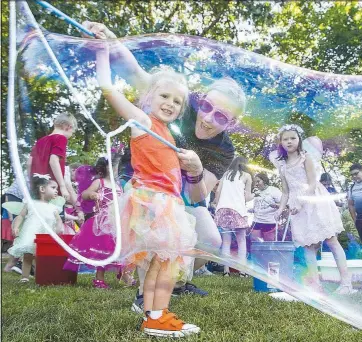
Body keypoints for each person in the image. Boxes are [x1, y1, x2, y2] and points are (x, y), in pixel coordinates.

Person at [80, 21, 245, 304]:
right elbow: (138, 76)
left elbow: (198, 194)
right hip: (147, 185)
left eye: (221, 117)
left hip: (182, 195)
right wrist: (111, 41)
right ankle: (145, 294)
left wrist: (195, 171)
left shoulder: (224, 149)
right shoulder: (178, 102)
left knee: (211, 241)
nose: (208, 118)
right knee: (153, 234)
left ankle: (176, 280)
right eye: (207, 107)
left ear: (232, 123)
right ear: (200, 100)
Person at [95, 36, 200, 337]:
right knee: (167, 262)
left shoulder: (167, 132)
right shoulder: (143, 120)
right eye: (164, 96)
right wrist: (103, 51)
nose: (170, 103)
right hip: (155, 201)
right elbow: (109, 90)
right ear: (149, 99)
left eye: (177, 101)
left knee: (161, 261)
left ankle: (155, 315)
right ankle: (158, 316)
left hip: (164, 201)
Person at [274, 124, 355, 295]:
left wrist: (300, 203)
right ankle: (315, 286)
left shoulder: (306, 158)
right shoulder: (282, 166)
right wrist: (281, 207)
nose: (289, 141)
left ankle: (346, 283)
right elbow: (286, 191)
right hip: (299, 208)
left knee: (332, 241)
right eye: (285, 139)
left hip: (315, 201)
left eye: (293, 138)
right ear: (281, 142)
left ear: (299, 140)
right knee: (309, 246)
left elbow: (311, 183)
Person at [63, 157, 123, 288]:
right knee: (102, 249)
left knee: (120, 249)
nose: (115, 168)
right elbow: (84, 193)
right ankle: (99, 278)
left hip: (117, 221)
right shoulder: (99, 182)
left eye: (117, 166)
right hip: (103, 221)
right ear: (104, 168)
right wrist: (91, 194)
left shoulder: (118, 185)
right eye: (113, 166)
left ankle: (123, 275)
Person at [7, 175, 63, 283]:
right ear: (42, 189)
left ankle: (40, 277)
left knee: (42, 258)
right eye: (53, 188)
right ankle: (25, 277)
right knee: (28, 256)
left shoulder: (54, 208)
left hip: (45, 235)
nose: (56, 191)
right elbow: (21, 216)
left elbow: (58, 220)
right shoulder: (31, 204)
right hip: (31, 234)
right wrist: (16, 226)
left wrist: (59, 227)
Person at [211, 156, 255, 276]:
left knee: (226, 241)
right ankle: (242, 271)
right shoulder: (246, 176)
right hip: (238, 211)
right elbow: (247, 197)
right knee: (241, 240)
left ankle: (226, 271)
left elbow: (218, 191)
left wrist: (216, 203)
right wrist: (254, 195)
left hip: (223, 209)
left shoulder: (226, 174)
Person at [27, 113, 77, 203]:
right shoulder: (61, 138)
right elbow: (53, 160)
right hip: (52, 188)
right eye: (72, 132)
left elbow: (29, 163)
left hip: (38, 189)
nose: (71, 135)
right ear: (68, 127)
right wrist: (62, 186)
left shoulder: (39, 141)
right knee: (54, 214)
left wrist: (31, 183)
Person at [250, 173, 282, 242]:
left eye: (258, 181)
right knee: (255, 243)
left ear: (264, 181)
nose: (256, 184)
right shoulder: (256, 191)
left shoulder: (274, 190)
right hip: (257, 221)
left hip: (269, 222)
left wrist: (276, 205)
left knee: (268, 244)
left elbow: (285, 205)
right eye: (255, 182)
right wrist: (253, 209)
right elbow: (257, 204)